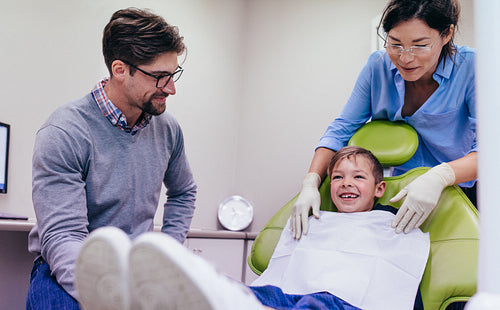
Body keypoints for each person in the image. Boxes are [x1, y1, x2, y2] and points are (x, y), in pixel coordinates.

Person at [74, 146, 430, 310]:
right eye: (337, 176)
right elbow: (283, 270)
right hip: (287, 295)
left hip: (340, 303)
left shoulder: (393, 223)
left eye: (357, 177)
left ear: (380, 188)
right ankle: (182, 292)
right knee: (253, 291)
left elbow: (398, 278)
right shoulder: (315, 218)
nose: (345, 183)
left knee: (314, 304)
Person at [26, 8, 197, 310]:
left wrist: (166, 254)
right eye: (160, 77)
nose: (171, 89)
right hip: (69, 267)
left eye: (173, 75)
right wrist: (115, 297)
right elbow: (64, 237)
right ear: (120, 69)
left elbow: (184, 192)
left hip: (138, 271)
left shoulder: (167, 129)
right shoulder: (64, 131)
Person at [291, 0, 477, 240]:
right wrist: (311, 181)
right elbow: (341, 130)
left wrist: (439, 177)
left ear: (446, 34)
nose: (405, 58)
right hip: (401, 192)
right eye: (395, 44)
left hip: (461, 188)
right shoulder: (377, 67)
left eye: (420, 45)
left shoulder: (472, 67)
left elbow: (491, 149)